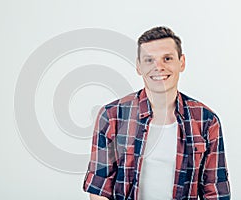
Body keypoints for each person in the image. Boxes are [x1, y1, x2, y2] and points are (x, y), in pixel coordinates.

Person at [82, 26, 231, 200]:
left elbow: (215, 191)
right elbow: (99, 189)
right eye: (149, 60)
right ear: (138, 66)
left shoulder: (206, 120)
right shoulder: (112, 116)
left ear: (181, 62)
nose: (158, 67)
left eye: (167, 58)